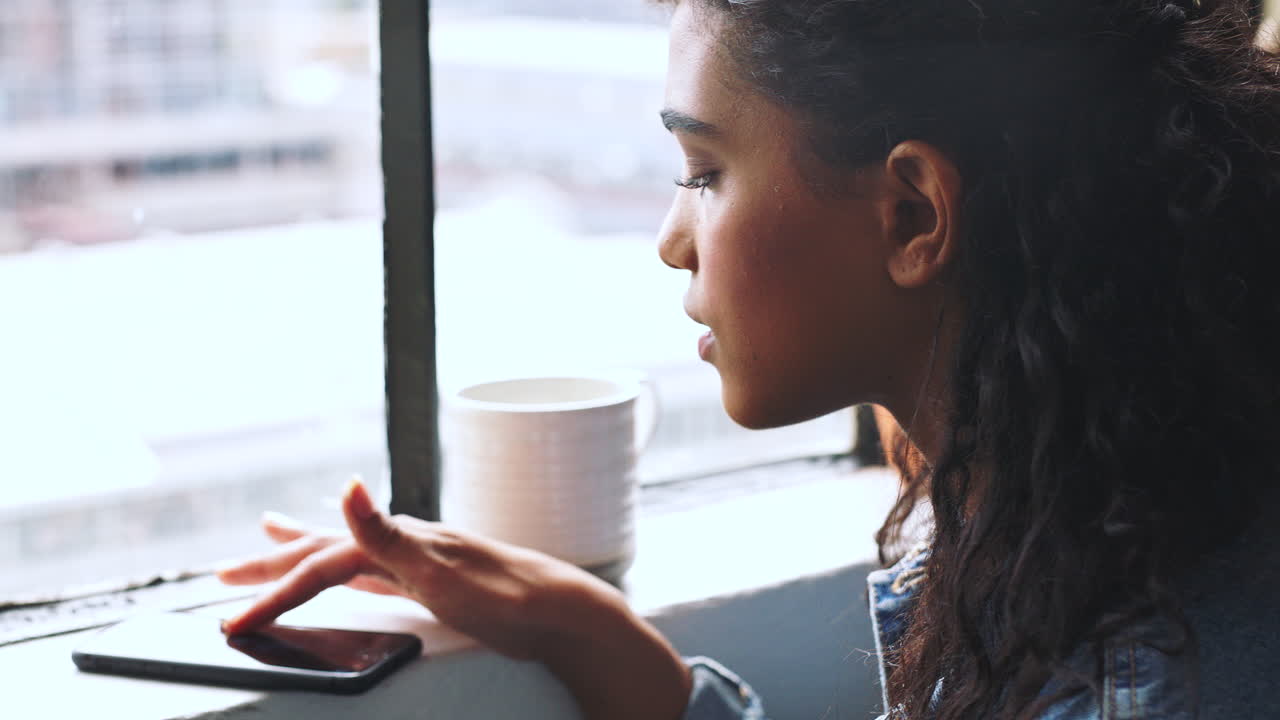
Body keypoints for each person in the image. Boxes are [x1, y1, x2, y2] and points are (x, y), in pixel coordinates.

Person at [216, 0, 1280, 717]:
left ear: (912, 211)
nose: (670, 239)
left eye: (702, 170)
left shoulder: (1137, 679)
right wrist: (591, 636)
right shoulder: (1096, 525)